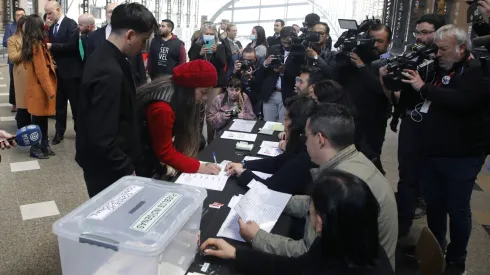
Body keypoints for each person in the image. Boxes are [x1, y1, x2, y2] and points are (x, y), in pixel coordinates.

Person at [238, 104, 397, 270]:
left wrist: (257, 237)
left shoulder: (345, 182)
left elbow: (307, 252)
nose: (305, 143)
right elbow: (311, 202)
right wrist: (271, 199)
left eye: (306, 137)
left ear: (320, 139)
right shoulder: (351, 162)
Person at [400, 24, 490, 275]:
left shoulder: (478, 71)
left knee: (457, 208)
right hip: (433, 150)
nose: (438, 54)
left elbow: (462, 101)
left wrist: (424, 88)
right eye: (436, 49)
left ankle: (456, 259)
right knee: (435, 205)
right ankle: (436, 248)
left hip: (464, 155)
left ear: (462, 48)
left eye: (443, 49)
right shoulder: (436, 67)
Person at [200, 170, 394, 275]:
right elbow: (295, 267)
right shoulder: (350, 240)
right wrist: (236, 254)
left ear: (319, 222)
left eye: (310, 208)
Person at [76, 3, 157, 198]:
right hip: (109, 170)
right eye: (143, 40)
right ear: (130, 35)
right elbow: (102, 135)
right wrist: (127, 170)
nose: (143, 48)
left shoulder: (106, 56)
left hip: (109, 162)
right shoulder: (109, 71)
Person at [379, 13, 445, 242]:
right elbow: (396, 97)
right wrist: (386, 79)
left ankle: (437, 241)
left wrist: (422, 85)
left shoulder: (447, 60)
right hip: (410, 123)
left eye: (426, 32)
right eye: (418, 32)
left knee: (435, 184)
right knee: (407, 178)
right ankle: (402, 229)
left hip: (438, 126)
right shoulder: (412, 55)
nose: (421, 37)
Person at [136, 60, 222, 179]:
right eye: (204, 92)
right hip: (142, 161)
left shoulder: (177, 93)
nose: (205, 98)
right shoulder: (162, 108)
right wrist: (199, 167)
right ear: (189, 87)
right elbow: (164, 152)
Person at [225, 96, 317, 195]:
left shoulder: (303, 158)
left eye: (286, 119)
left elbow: (269, 189)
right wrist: (244, 164)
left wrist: (243, 173)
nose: (283, 124)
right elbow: (277, 162)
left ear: (296, 124)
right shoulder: (299, 145)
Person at [45, 1, 83, 144]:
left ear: (58, 9)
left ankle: (80, 133)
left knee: (76, 106)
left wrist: (52, 46)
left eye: (50, 13)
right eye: (47, 13)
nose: (48, 16)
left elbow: (72, 45)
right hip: (58, 73)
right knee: (59, 106)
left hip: (72, 73)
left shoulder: (71, 24)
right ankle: (59, 133)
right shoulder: (52, 27)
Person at [86, 2, 147, 87]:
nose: (113, 14)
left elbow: (139, 61)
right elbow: (88, 61)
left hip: (130, 83)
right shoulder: (94, 36)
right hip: (102, 84)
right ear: (105, 14)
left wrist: (143, 82)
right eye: (110, 11)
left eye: (116, 11)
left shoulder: (133, 34)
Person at [22, 14, 57, 159]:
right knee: (38, 121)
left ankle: (44, 145)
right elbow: (41, 71)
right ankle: (36, 148)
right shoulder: (36, 45)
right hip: (40, 89)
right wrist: (50, 91)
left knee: (41, 119)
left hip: (36, 88)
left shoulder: (31, 43)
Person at [258, 26, 303, 122]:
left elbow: (299, 74)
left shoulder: (299, 52)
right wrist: (265, 64)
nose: (286, 45)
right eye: (284, 42)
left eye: (289, 42)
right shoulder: (273, 49)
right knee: (268, 126)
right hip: (270, 93)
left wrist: (283, 71)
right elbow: (263, 73)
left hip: (288, 94)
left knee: (284, 126)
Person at [7, 16, 31, 129]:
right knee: (23, 104)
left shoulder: (33, 38)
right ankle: (22, 127)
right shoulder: (12, 39)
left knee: (34, 102)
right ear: (21, 26)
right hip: (21, 74)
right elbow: (13, 57)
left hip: (33, 73)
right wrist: (25, 50)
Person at [3, 7, 26, 113]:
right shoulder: (10, 27)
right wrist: (14, 40)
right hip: (14, 58)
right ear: (14, 16)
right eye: (18, 15)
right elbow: (5, 42)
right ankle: (15, 103)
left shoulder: (28, 27)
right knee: (14, 82)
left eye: (22, 14)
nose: (20, 17)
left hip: (26, 59)